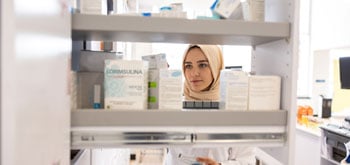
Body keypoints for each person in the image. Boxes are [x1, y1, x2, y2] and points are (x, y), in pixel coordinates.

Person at [165, 44, 256, 165]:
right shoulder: (173, 106)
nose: (194, 73)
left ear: (216, 67)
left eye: (202, 65)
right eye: (188, 66)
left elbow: (247, 160)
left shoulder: (235, 108)